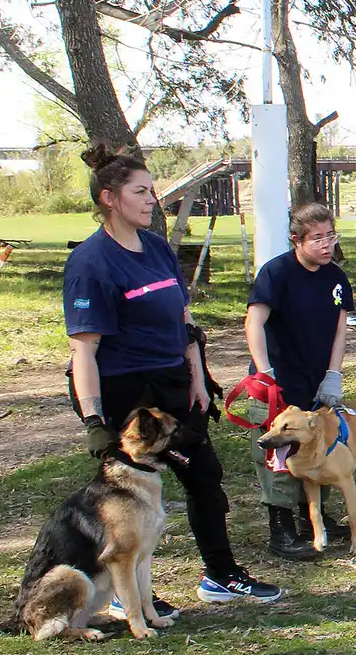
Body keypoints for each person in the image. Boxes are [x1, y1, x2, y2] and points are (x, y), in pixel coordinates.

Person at [64, 142, 281, 606]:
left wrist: (198, 377)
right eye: (141, 192)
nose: (151, 200)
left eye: (152, 192)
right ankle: (129, 595)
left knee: (204, 476)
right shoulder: (90, 262)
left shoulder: (158, 248)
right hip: (124, 389)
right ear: (109, 197)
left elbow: (183, 322)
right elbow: (84, 353)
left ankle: (220, 574)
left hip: (173, 381)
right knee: (130, 497)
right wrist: (94, 423)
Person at [244, 202, 355, 560]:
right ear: (296, 239)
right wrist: (265, 371)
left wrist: (334, 374)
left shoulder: (335, 277)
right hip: (278, 381)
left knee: (318, 445)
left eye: (330, 236)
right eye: (317, 239)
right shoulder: (276, 273)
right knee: (279, 452)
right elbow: (254, 322)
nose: (326, 245)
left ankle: (315, 519)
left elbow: (339, 329)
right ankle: (282, 528)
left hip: (316, 380)